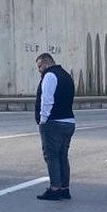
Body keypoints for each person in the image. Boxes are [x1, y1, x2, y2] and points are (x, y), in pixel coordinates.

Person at [34, 53, 76, 201]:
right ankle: (64, 189)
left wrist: (43, 121)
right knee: (62, 156)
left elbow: (47, 100)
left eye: (40, 66)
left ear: (47, 63)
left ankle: (55, 189)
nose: (39, 70)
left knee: (52, 157)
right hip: (69, 122)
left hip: (54, 123)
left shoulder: (50, 76)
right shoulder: (66, 75)